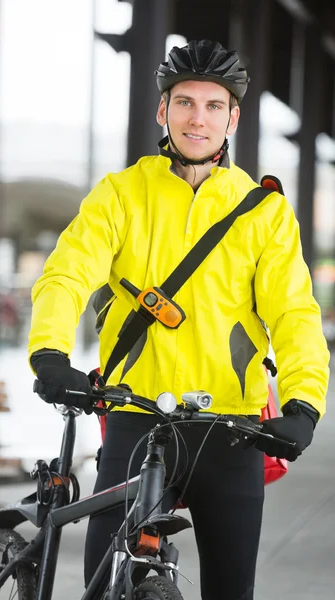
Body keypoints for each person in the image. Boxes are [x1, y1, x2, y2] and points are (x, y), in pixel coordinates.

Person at [28, 40, 330, 600]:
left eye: (214, 106)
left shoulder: (262, 211)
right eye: (185, 102)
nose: (198, 118)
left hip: (231, 427)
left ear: (232, 117)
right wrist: (49, 351)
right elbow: (66, 274)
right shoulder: (121, 194)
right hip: (135, 415)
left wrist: (303, 404)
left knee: (231, 589)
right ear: (163, 111)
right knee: (102, 582)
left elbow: (294, 313)